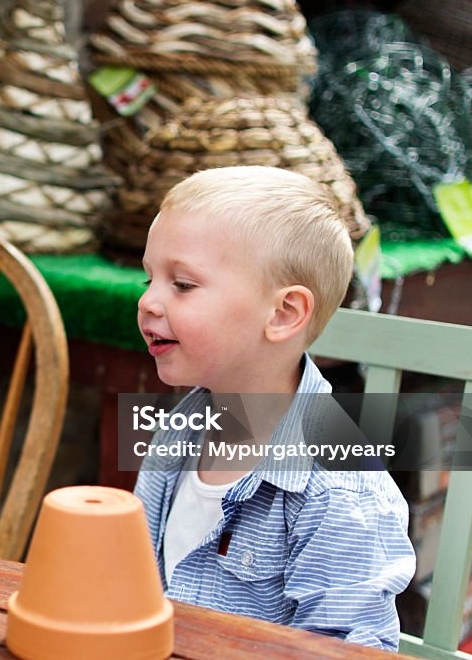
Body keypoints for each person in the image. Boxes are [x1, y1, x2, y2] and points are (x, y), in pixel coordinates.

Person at [133, 166, 415, 650]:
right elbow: (135, 581)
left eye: (182, 285)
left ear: (283, 314)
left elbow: (347, 648)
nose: (147, 301)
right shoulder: (179, 429)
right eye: (149, 278)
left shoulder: (339, 491)